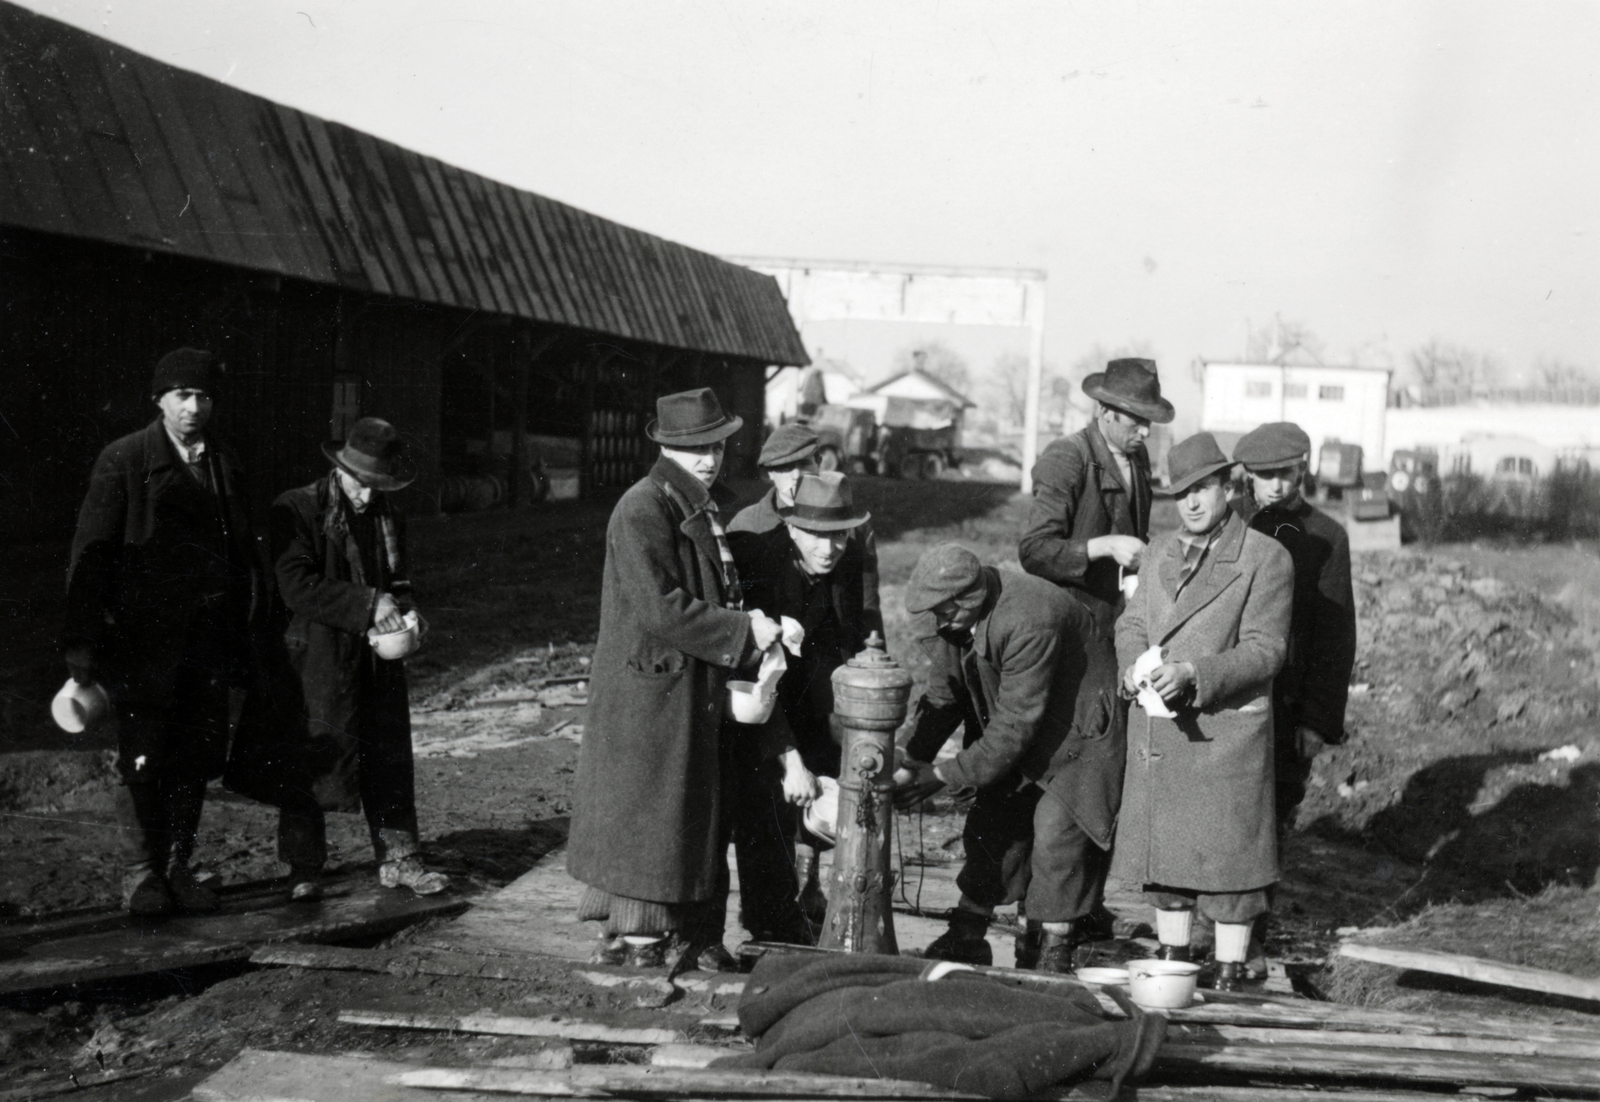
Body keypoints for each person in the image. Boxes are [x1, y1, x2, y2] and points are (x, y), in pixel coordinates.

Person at [568, 388, 783, 971]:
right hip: (651, 687)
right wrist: (743, 631)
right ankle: (639, 938)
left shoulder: (693, 501)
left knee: (678, 812)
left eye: (715, 445)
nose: (709, 459)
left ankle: (678, 935)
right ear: (664, 445)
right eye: (694, 449)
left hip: (684, 682)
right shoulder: (642, 507)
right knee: (648, 816)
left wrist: (745, 627)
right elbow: (660, 607)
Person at [62, 347, 262, 916]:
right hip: (143, 643)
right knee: (143, 758)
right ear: (159, 400)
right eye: (181, 396)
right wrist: (81, 642)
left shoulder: (225, 463)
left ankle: (177, 866)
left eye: (202, 396)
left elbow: (244, 552)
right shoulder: (123, 460)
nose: (193, 407)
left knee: (196, 758)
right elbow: (88, 557)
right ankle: (140, 876)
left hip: (208, 639)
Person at [1110, 433, 1293, 990]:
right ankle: (1173, 959)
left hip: (1222, 736)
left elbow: (1267, 650)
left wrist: (1195, 675)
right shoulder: (1161, 551)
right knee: (1168, 871)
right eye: (1180, 493)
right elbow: (1133, 623)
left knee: (1229, 874)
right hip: (1162, 732)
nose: (1190, 503)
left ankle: (1233, 972)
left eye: (1202, 489)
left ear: (1230, 487)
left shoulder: (1266, 558)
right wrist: (1130, 666)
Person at [893, 545, 1124, 973]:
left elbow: (1015, 726)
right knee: (993, 821)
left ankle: (1054, 946)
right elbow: (944, 697)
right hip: (1023, 721)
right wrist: (909, 759)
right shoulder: (952, 619)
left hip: (1079, 730)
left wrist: (942, 774)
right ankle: (968, 932)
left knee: (1059, 834)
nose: (939, 624)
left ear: (970, 599)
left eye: (944, 614)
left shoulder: (1029, 616)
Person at [269, 418, 449, 902]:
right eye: (361, 483)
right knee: (313, 755)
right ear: (340, 467)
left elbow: (400, 580)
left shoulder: (387, 514)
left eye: (378, 486)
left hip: (376, 656)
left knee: (388, 753)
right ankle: (303, 867)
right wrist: (369, 604)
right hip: (317, 656)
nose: (368, 496)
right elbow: (294, 585)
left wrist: (410, 614)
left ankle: (401, 859)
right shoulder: (298, 507)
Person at [728, 471, 877, 940]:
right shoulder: (765, 570)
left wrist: (838, 712)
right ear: (792, 527)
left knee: (819, 798)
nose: (828, 548)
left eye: (838, 535)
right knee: (766, 806)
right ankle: (769, 927)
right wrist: (789, 759)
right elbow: (757, 678)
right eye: (816, 535)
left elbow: (841, 638)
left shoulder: (847, 563)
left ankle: (805, 900)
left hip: (810, 700)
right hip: (757, 706)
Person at [1231, 423, 1357, 830]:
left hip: (1288, 698)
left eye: (1286, 473)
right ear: (1248, 473)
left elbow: (1334, 633)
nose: (1277, 486)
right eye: (1266, 475)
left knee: (1274, 812)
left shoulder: (1327, 536)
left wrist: (1317, 719)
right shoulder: (1227, 524)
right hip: (1225, 689)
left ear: (1302, 471)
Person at [1019, 358, 1173, 642]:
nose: (1146, 432)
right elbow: (1034, 551)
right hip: (1071, 624)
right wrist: (1105, 546)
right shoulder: (1068, 456)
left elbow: (1133, 531)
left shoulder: (1138, 456)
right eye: (1136, 420)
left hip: (1123, 618)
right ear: (1104, 410)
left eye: (1148, 421)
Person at [729, 422, 881, 639]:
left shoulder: (854, 528)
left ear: (819, 463)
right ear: (770, 472)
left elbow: (868, 608)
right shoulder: (746, 525)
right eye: (784, 466)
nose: (796, 476)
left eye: (804, 464)